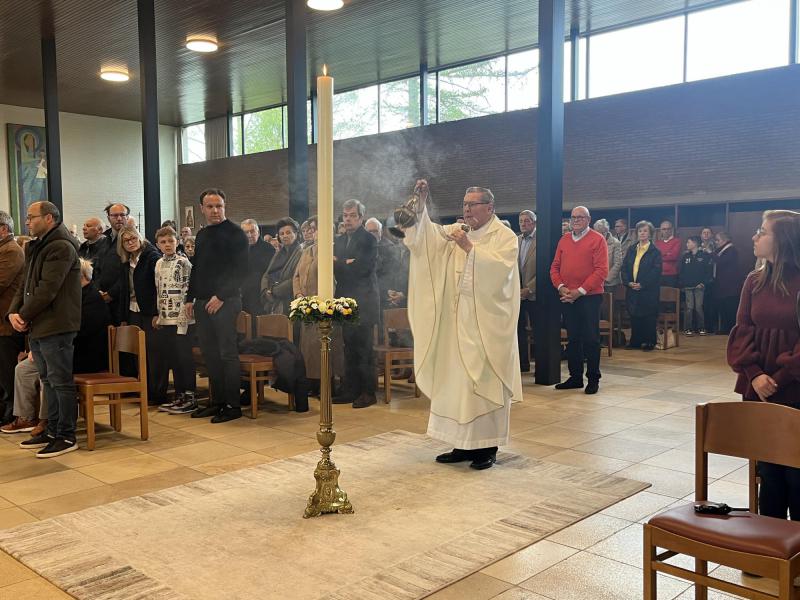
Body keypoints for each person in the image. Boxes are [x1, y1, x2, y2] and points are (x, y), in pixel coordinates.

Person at [404, 181, 521, 470]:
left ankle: (486, 447)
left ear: (489, 207)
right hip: (456, 324)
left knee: (482, 381)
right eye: (465, 204)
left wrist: (470, 249)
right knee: (457, 383)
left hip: (486, 325)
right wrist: (421, 204)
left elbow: (502, 272)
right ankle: (461, 443)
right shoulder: (457, 231)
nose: (467, 209)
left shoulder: (504, 236)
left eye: (473, 204)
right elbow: (425, 240)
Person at [727, 210, 800, 520]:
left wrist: (779, 378)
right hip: (759, 388)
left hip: (794, 387)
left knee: (796, 474)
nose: (755, 237)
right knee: (768, 471)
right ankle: (768, 547)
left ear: (783, 240)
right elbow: (742, 330)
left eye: (762, 232)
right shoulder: (753, 281)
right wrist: (755, 375)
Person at [8, 201, 81, 458]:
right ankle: (50, 429)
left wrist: (24, 314)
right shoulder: (37, 245)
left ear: (48, 218)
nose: (27, 221)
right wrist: (13, 312)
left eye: (31, 217)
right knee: (48, 380)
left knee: (61, 382)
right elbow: (25, 284)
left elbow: (48, 290)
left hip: (57, 324)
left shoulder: (61, 245)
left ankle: (66, 435)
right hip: (40, 324)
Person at [186, 188, 249, 423]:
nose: (215, 210)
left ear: (225, 206)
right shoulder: (202, 235)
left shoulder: (236, 233)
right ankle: (217, 401)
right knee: (210, 355)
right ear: (202, 209)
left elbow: (242, 270)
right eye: (210, 206)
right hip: (203, 302)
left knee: (226, 354)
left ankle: (233, 405)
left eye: (219, 206)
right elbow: (198, 268)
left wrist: (221, 296)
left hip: (226, 301)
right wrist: (189, 298)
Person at [550, 206, 609, 394]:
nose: (575, 220)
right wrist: (562, 288)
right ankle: (575, 377)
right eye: (573, 217)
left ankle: (593, 379)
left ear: (588, 219)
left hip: (589, 297)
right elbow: (554, 267)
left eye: (580, 217)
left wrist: (580, 291)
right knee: (573, 339)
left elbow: (601, 271)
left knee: (591, 339)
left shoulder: (597, 239)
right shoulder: (564, 240)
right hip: (568, 297)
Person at [332, 199, 379, 409]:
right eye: (345, 215)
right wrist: (346, 263)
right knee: (348, 347)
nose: (348, 219)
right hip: (345, 299)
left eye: (352, 215)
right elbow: (335, 269)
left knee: (364, 349)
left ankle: (368, 392)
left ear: (361, 218)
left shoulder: (368, 239)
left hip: (364, 300)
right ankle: (350, 389)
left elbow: (363, 269)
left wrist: (342, 263)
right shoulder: (340, 240)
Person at [151, 227, 197, 415]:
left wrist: (188, 307)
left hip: (182, 317)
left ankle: (190, 396)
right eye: (163, 242)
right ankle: (179, 395)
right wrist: (158, 314)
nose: (167, 245)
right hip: (166, 316)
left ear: (177, 241)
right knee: (173, 357)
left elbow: (190, 287)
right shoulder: (159, 263)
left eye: (170, 241)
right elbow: (158, 288)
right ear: (158, 245)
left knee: (184, 356)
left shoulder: (184, 262)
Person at [116, 224, 164, 404]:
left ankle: (156, 393)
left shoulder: (151, 257)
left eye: (133, 238)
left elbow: (158, 288)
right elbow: (124, 291)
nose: (130, 243)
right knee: (138, 353)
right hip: (132, 310)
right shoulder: (126, 261)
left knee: (154, 352)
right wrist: (122, 318)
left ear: (140, 237)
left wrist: (156, 313)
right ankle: (142, 389)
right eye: (126, 241)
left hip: (149, 311)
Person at [621, 221, 663, 351]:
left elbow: (656, 271)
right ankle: (635, 341)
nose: (642, 233)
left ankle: (649, 341)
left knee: (648, 316)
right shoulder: (632, 249)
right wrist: (628, 282)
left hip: (648, 290)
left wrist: (642, 284)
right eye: (640, 231)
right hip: (632, 287)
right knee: (634, 315)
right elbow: (625, 268)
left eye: (645, 231)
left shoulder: (655, 252)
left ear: (650, 234)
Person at [0, 211, 24, 425]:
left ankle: (10, 413)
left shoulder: (11, 250)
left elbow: (1, 282)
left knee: (7, 371)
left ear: (3, 229)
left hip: (7, 323)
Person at [74, 258, 112, 374]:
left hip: (88, 358)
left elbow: (81, 330)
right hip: (79, 352)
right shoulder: (83, 294)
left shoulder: (92, 298)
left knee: (27, 370)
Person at [260, 217, 302, 315]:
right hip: (273, 302)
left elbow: (295, 279)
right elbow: (266, 275)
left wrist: (274, 291)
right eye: (281, 234)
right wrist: (265, 290)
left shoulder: (301, 252)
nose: (284, 236)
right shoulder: (278, 253)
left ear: (295, 234)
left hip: (290, 302)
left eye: (288, 232)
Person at [96, 203, 129, 324]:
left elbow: (127, 272)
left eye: (122, 215)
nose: (119, 218)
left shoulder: (131, 240)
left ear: (127, 217)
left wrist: (111, 294)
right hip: (102, 299)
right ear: (108, 218)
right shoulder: (104, 239)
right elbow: (98, 267)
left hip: (121, 300)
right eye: (115, 215)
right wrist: (98, 290)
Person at [678, 235, 713, 336]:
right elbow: (682, 271)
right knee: (689, 308)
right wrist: (683, 283)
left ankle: (701, 327)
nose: (687, 244)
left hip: (699, 287)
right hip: (688, 286)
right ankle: (687, 328)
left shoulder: (704, 256)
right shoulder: (685, 256)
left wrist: (703, 283)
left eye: (689, 242)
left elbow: (708, 272)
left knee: (698, 307)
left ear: (695, 243)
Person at [240, 219, 274, 318]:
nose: (249, 235)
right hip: (242, 296)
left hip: (259, 296)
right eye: (246, 232)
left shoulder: (268, 249)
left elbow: (270, 273)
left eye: (252, 231)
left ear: (258, 232)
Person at [517, 210, 536, 373]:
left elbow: (545, 268)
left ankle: (542, 365)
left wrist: (529, 289)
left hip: (535, 294)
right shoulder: (516, 240)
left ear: (534, 222)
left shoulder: (541, 240)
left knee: (538, 330)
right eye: (521, 221)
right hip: (517, 294)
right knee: (519, 330)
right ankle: (523, 364)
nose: (523, 223)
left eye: (527, 221)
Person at [594, 218, 622, 291]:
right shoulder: (593, 243)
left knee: (608, 301)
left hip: (609, 282)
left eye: (602, 232)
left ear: (607, 231)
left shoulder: (616, 243)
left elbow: (618, 263)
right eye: (597, 232)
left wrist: (606, 279)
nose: (599, 235)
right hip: (595, 280)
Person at [656, 220, 681, 287]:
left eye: (668, 229)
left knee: (671, 296)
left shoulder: (677, 241)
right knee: (659, 296)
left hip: (672, 275)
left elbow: (673, 256)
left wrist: (661, 254)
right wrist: (667, 253)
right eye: (664, 229)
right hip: (658, 274)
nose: (666, 231)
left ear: (672, 229)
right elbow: (655, 258)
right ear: (661, 230)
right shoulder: (657, 243)